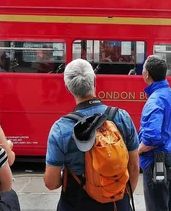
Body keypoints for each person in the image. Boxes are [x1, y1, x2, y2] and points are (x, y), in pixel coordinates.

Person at [44, 59, 140, 211]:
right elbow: (134, 167)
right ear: (94, 80)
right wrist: (121, 195)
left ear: (68, 87)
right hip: (117, 204)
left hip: (76, 204)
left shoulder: (60, 129)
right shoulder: (122, 117)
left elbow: (51, 182)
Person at [138, 55, 171, 211]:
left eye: (143, 68)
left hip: (157, 159)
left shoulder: (155, 99)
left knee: (156, 205)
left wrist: (139, 150)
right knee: (169, 204)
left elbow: (152, 135)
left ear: (147, 74)